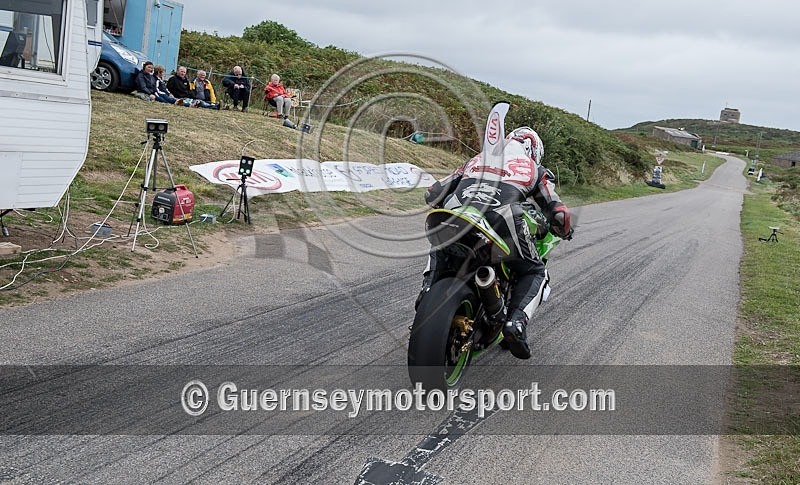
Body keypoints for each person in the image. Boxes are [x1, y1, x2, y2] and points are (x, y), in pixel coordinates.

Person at [420, 126, 573, 360]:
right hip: (502, 218)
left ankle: (427, 293)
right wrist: (564, 229)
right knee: (535, 270)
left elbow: (432, 192)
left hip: (456, 213)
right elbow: (558, 212)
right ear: (533, 150)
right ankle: (516, 324)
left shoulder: (476, 160)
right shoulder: (534, 168)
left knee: (440, 246)